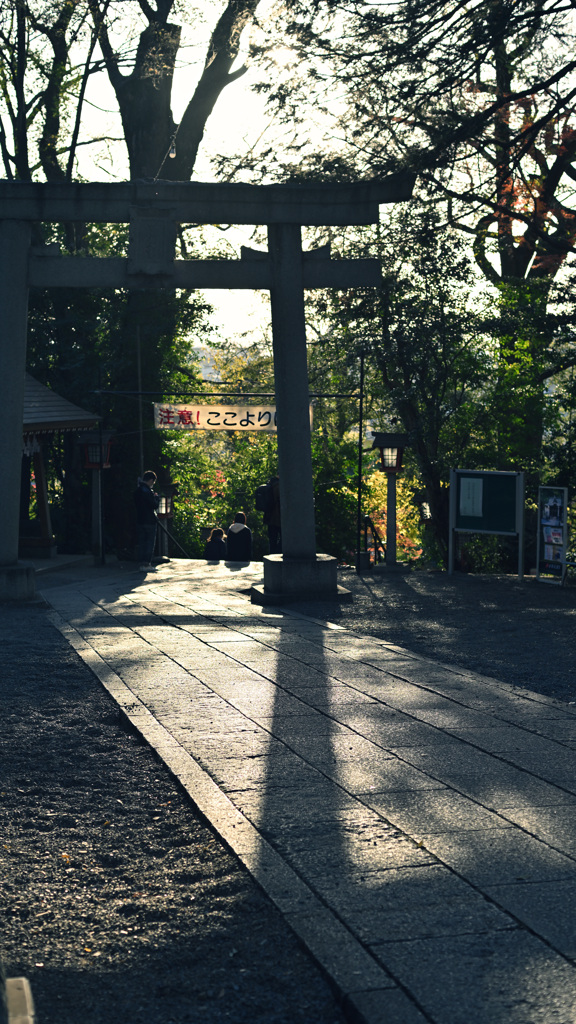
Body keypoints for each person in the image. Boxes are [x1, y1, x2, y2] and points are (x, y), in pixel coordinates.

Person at [133, 471, 160, 571]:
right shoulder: (148, 492)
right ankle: (146, 563)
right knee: (149, 542)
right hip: (149, 520)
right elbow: (154, 505)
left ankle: (141, 563)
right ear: (151, 480)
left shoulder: (138, 491)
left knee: (142, 542)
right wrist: (157, 498)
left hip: (140, 519)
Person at [263, 474, 281, 554]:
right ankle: (278, 555)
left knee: (272, 540)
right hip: (279, 518)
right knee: (283, 539)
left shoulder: (270, 485)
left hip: (269, 517)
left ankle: (272, 556)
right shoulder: (280, 486)